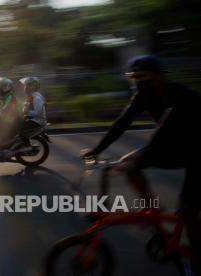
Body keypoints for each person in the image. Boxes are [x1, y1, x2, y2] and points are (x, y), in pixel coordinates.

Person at [81, 55, 201, 275]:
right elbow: (121, 124)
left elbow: (164, 131)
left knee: (190, 211)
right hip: (177, 147)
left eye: (141, 77)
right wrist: (95, 150)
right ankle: (153, 210)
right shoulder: (142, 96)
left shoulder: (181, 95)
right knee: (130, 164)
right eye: (132, 77)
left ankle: (195, 264)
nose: (137, 82)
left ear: (158, 77)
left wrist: (140, 156)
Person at [19, 77, 47, 147]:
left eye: (27, 85)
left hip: (38, 121)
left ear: (33, 87)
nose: (25, 88)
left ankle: (27, 146)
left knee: (20, 129)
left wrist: (26, 112)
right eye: (25, 86)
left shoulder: (37, 98)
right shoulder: (30, 96)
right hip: (32, 119)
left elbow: (37, 112)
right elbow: (26, 106)